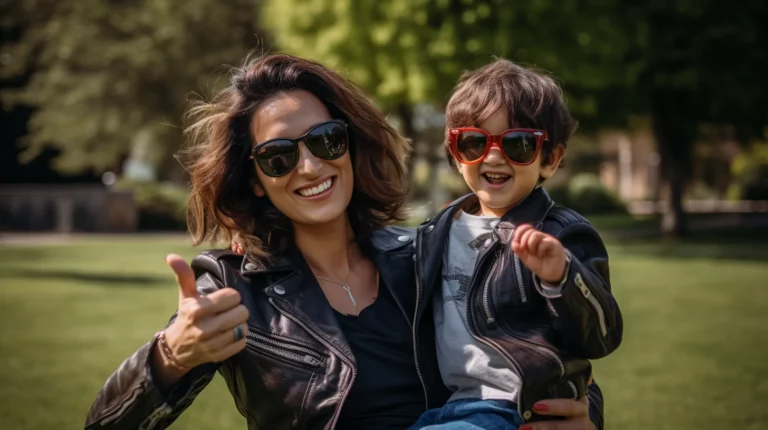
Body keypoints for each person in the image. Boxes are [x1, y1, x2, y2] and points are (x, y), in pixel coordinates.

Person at [85, 53, 605, 430]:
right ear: (255, 178)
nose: (310, 166)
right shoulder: (233, 289)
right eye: (279, 157)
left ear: (351, 145)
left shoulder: (423, 256)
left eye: (326, 140)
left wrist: (585, 418)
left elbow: (530, 351)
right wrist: (171, 357)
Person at [405, 59, 623, 430]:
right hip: (445, 409)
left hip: (514, 411)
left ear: (550, 160)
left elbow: (602, 336)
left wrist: (562, 278)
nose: (492, 156)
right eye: (474, 142)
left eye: (517, 144)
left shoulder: (560, 234)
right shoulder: (433, 233)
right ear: (456, 155)